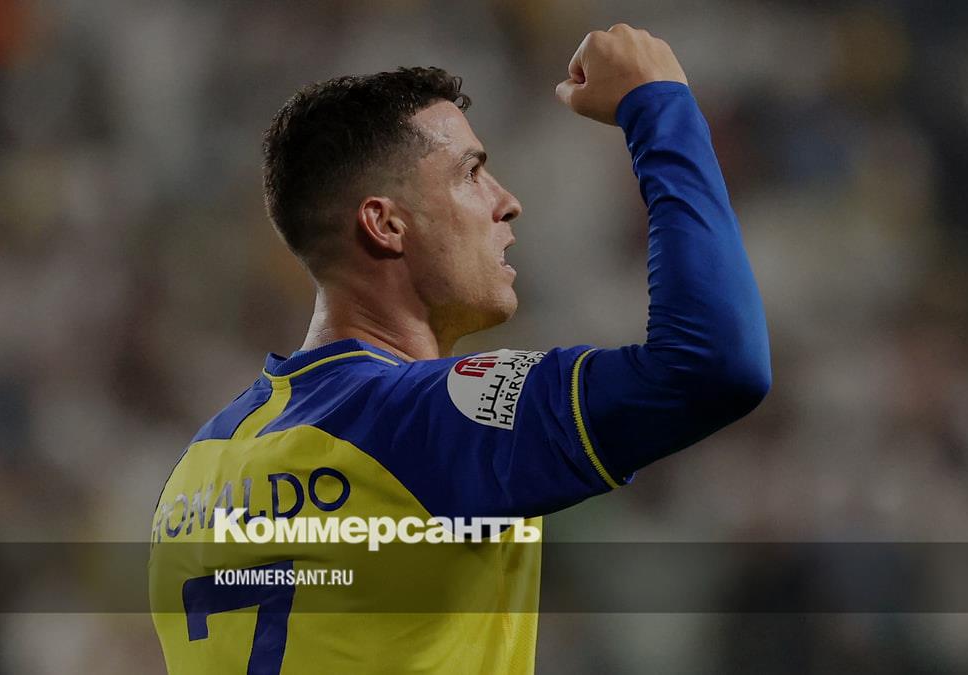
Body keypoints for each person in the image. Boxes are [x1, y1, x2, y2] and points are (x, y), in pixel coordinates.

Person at [150, 24, 770, 674]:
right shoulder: (419, 421)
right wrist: (659, 104)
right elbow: (712, 363)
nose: (508, 201)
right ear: (385, 223)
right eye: (471, 173)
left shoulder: (192, 476)